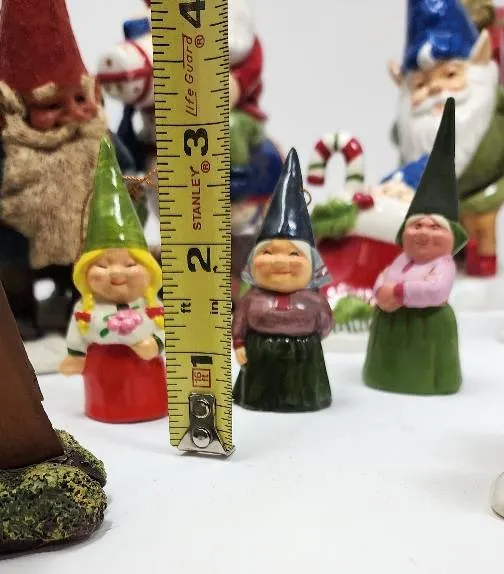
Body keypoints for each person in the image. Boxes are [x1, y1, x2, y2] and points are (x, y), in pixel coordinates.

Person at [0, 0, 137, 341]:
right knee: (12, 275)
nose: (73, 113)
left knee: (86, 270)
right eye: (50, 105)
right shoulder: (10, 147)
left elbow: (127, 172)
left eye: (80, 99)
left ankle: (78, 304)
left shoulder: (97, 138)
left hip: (83, 242)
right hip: (18, 247)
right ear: (16, 107)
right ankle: (21, 313)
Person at [384, 0, 504, 277]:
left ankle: (482, 267)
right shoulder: (410, 130)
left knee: (480, 235)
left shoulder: (492, 108)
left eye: (450, 74)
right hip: (430, 209)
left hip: (483, 192)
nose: (436, 87)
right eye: (421, 84)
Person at [363, 98, 468, 395]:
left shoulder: (443, 264)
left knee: (423, 365)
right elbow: (384, 275)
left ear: (452, 237)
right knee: (389, 361)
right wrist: (381, 292)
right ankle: (382, 375)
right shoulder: (402, 259)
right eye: (417, 225)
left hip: (427, 326)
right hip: (391, 320)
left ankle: (429, 383)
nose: (423, 232)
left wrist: (398, 292)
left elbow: (437, 289)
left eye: (434, 227)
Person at [59, 137, 167, 424]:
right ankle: (105, 409)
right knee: (105, 397)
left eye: (130, 264)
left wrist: (155, 345)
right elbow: (77, 336)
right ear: (84, 272)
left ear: (149, 270)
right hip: (102, 371)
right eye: (103, 266)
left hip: (145, 370)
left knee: (148, 395)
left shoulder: (152, 305)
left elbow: (167, 333)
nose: (117, 273)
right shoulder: (85, 309)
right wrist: (75, 357)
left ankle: (151, 406)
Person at [232, 148, 334, 412]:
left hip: (304, 359)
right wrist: (240, 346)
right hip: (259, 356)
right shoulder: (250, 300)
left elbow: (325, 326)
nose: (280, 262)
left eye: (293, 254)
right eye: (268, 253)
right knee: (259, 390)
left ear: (312, 264)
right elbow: (239, 325)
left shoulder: (315, 301)